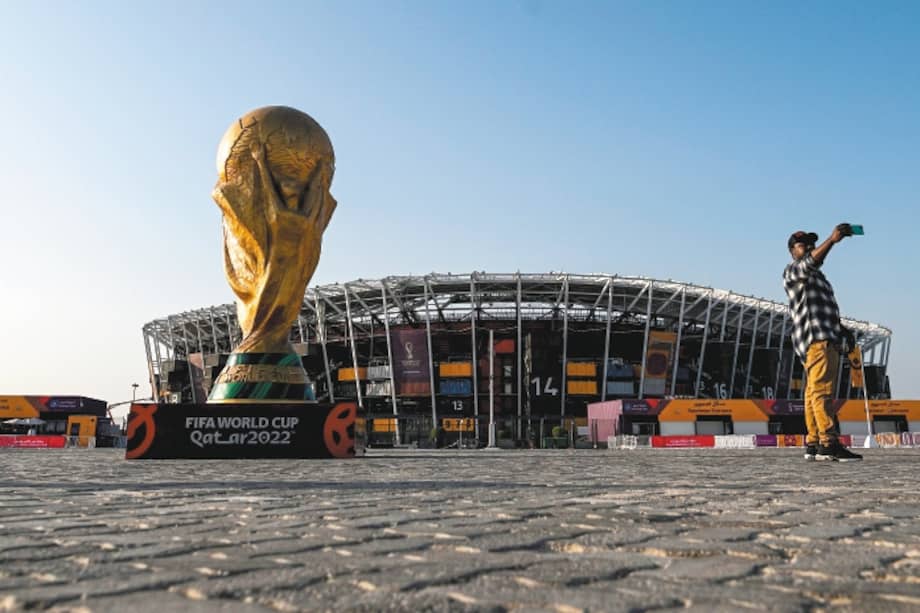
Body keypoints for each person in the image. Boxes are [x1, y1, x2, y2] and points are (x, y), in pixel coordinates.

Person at [784, 224, 862, 461]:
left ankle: (814, 441)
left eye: (811, 243)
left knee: (812, 393)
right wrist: (832, 240)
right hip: (818, 340)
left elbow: (823, 310)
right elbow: (810, 262)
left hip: (824, 337)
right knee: (822, 392)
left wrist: (842, 330)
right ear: (792, 251)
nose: (809, 247)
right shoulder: (793, 271)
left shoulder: (818, 278)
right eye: (802, 245)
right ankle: (829, 443)